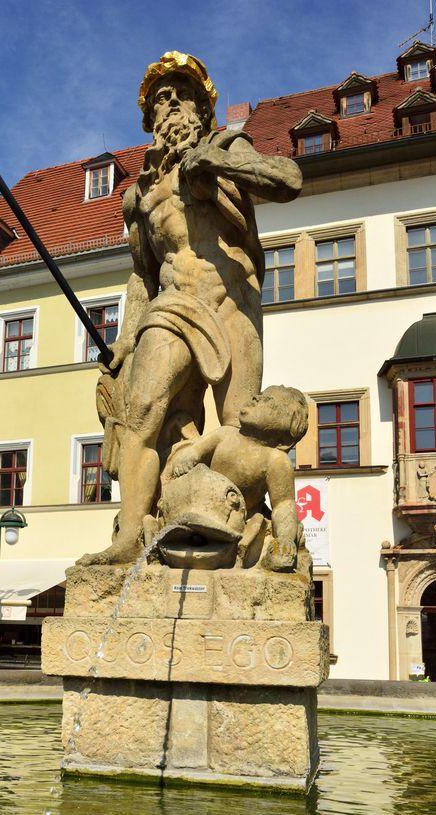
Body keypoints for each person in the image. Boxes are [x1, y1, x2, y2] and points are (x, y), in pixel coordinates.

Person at [82, 51, 302, 565]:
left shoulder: (228, 145)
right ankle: (130, 538)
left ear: (204, 110)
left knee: (240, 427)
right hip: (173, 305)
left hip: (232, 304)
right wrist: (125, 338)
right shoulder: (139, 195)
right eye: (163, 98)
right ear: (150, 118)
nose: (173, 104)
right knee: (140, 418)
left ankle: (241, 541)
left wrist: (220, 162)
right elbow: (142, 275)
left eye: (184, 95)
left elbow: (288, 179)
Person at [170, 386, 309, 571]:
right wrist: (189, 457)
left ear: (284, 429)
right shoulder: (226, 434)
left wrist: (284, 539)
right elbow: (195, 451)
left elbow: (283, 504)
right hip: (196, 506)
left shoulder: (275, 460)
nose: (256, 398)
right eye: (260, 395)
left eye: (268, 400)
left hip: (233, 520)